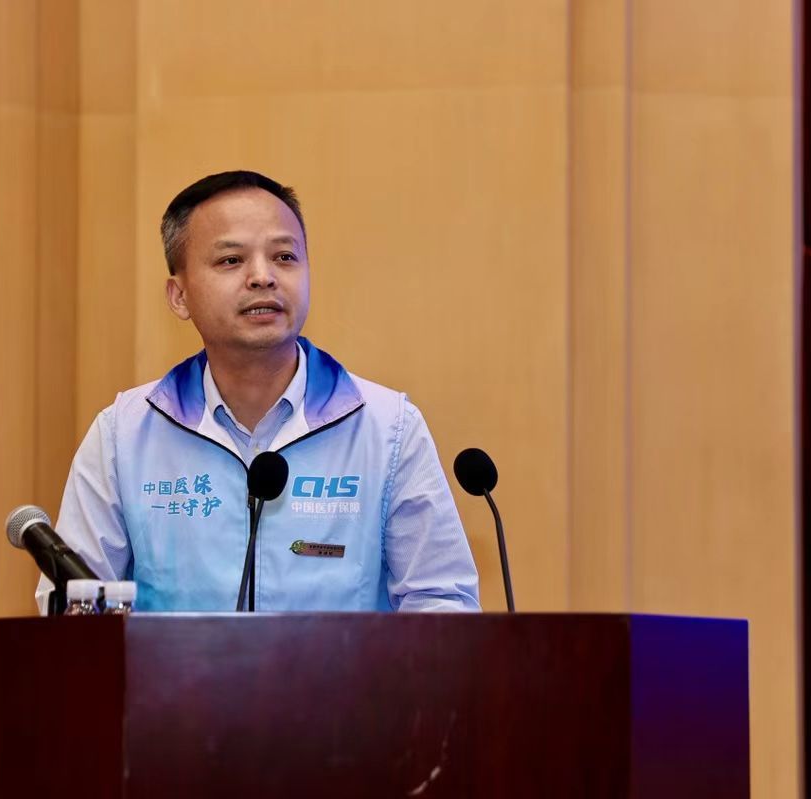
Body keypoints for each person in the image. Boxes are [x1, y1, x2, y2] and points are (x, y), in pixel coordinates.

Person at [37, 171, 480, 612]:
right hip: (172, 665)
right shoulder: (125, 435)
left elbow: (442, 603)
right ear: (179, 296)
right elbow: (72, 610)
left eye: (284, 257)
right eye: (231, 260)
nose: (263, 277)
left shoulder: (387, 429)